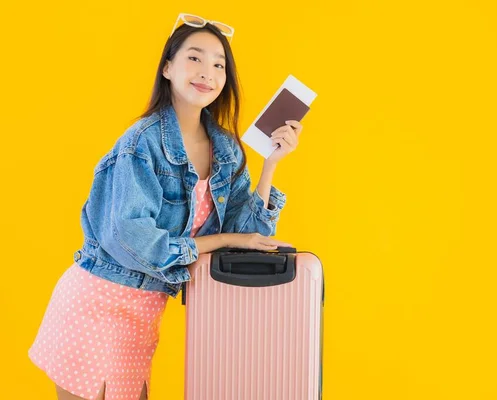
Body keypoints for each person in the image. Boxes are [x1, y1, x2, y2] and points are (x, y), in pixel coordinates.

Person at [28, 13, 303, 400]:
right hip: (97, 303)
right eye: (194, 57)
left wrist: (271, 164)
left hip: (143, 314)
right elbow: (137, 239)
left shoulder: (225, 148)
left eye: (218, 64)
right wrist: (221, 238)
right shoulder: (141, 143)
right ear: (168, 68)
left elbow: (248, 235)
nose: (207, 71)